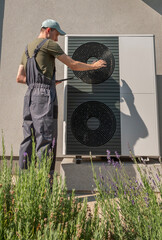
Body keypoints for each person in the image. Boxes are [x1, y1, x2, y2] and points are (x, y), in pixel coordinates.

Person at [16, 19, 107, 171]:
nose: (57, 39)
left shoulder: (27, 48)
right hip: (43, 96)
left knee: (28, 137)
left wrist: (45, 81)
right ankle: (45, 185)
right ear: (48, 30)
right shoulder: (49, 44)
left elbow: (19, 77)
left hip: (30, 96)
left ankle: (25, 181)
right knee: (45, 138)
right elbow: (72, 64)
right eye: (56, 34)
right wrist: (93, 65)